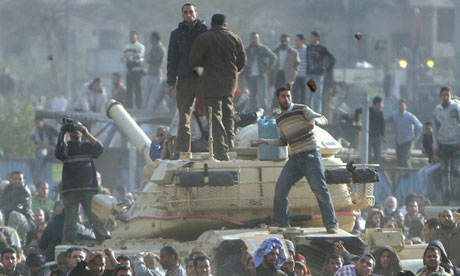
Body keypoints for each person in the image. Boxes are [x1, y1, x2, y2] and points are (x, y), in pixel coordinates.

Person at [253, 87, 339, 232]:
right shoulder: (279, 119)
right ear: (278, 99)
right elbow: (283, 141)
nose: (286, 99)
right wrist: (265, 141)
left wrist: (312, 121)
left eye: (288, 96)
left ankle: (332, 225)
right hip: (295, 158)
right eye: (283, 97)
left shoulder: (302, 109)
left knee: (320, 190)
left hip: (311, 154)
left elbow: (321, 118)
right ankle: (283, 225)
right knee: (280, 189)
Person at [189, 13, 247, 160]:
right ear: (225, 24)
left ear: (212, 24)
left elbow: (194, 61)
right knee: (228, 111)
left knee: (215, 116)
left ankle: (221, 151)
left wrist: (200, 76)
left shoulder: (203, 38)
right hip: (230, 84)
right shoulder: (235, 38)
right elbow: (242, 62)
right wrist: (233, 72)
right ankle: (230, 139)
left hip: (210, 83)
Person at [54, 121, 110, 243]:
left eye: (78, 128)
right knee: (71, 221)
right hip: (71, 190)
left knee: (95, 218)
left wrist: (87, 133)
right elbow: (59, 153)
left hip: (87, 189)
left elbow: (100, 148)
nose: (76, 131)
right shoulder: (66, 147)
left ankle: (104, 240)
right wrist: (63, 133)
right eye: (73, 129)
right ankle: (70, 243)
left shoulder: (87, 146)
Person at [167, 3, 208, 160]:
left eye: (191, 12)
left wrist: (204, 76)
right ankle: (183, 150)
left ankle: (216, 147)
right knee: (184, 117)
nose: (189, 14)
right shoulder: (176, 34)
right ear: (182, 15)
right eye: (185, 12)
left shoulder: (205, 32)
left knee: (210, 114)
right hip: (183, 80)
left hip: (201, 79)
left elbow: (209, 57)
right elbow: (172, 58)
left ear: (196, 13)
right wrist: (171, 81)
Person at [433, 87, 460, 204]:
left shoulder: (456, 107)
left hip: (455, 143)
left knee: (456, 171)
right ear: (440, 96)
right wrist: (435, 145)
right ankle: (446, 196)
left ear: (450, 95)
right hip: (443, 144)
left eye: (447, 95)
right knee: (444, 172)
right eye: (443, 95)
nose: (445, 97)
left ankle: (457, 196)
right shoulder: (437, 110)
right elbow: (435, 129)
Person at [244, 32, 277, 113]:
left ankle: (264, 114)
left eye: (255, 38)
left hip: (260, 76)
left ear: (258, 39)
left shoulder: (263, 48)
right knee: (251, 97)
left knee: (262, 97)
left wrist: (268, 68)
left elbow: (273, 57)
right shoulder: (247, 49)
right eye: (252, 38)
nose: (253, 40)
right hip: (249, 76)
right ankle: (252, 115)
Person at [385, 99, 423, 168]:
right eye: (399, 105)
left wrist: (416, 139)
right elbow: (385, 120)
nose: (400, 107)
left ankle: (408, 175)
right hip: (399, 141)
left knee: (405, 158)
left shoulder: (410, 116)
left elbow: (419, 126)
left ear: (405, 107)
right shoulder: (394, 115)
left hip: (408, 141)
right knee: (399, 159)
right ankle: (402, 176)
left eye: (402, 105)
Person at [0, 171, 35, 243]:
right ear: (11, 179)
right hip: (9, 218)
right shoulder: (8, 188)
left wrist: (1, 210)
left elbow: (15, 206)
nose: (17, 181)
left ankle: (11, 242)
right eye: (15, 179)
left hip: (26, 222)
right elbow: (3, 202)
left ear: (23, 180)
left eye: (19, 179)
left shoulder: (25, 192)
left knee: (14, 215)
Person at [306, 31, 336, 113]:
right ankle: (308, 114)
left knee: (317, 96)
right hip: (309, 75)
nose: (310, 38)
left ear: (316, 37)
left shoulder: (322, 49)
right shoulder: (308, 48)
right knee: (308, 96)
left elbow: (333, 59)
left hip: (318, 75)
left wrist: (327, 70)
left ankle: (316, 115)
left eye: (312, 37)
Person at [268, 34, 300, 109]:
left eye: (286, 41)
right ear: (280, 41)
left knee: (288, 94)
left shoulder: (293, 52)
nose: (284, 43)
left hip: (288, 77)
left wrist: (293, 75)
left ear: (289, 42)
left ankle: (289, 111)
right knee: (276, 94)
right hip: (277, 75)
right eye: (283, 41)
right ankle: (275, 111)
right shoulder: (275, 51)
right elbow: (271, 65)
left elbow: (297, 65)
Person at [121, 30, 145, 109]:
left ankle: (139, 106)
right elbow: (123, 58)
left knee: (138, 89)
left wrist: (130, 59)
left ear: (136, 37)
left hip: (137, 70)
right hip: (129, 70)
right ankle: (129, 106)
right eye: (130, 36)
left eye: (133, 36)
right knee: (129, 89)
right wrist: (127, 59)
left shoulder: (140, 46)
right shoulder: (126, 47)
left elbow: (138, 57)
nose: (131, 37)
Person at [143, 31, 166, 112]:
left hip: (157, 74)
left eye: (151, 38)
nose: (150, 40)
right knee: (147, 92)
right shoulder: (153, 47)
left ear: (154, 38)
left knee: (157, 93)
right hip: (151, 73)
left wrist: (148, 58)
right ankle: (146, 109)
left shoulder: (160, 48)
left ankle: (160, 109)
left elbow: (154, 59)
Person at [31, 118, 59, 182]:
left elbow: (59, 135)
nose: (38, 125)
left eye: (39, 123)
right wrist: (44, 147)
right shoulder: (34, 131)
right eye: (36, 123)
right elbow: (36, 144)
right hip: (43, 150)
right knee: (41, 154)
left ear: (42, 122)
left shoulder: (48, 128)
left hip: (52, 149)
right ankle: (36, 174)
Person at [369, 96, 385, 164]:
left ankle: (378, 171)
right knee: (367, 154)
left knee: (378, 155)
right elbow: (358, 111)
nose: (382, 105)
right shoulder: (368, 110)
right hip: (369, 136)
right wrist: (357, 121)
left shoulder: (380, 113)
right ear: (377, 104)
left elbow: (382, 124)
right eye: (381, 104)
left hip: (377, 136)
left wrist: (383, 135)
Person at [292, 34, 307, 105]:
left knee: (303, 95)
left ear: (302, 41)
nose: (296, 42)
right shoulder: (293, 50)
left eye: (297, 40)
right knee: (295, 94)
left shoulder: (307, 50)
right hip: (295, 76)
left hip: (304, 76)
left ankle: (302, 110)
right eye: (295, 40)